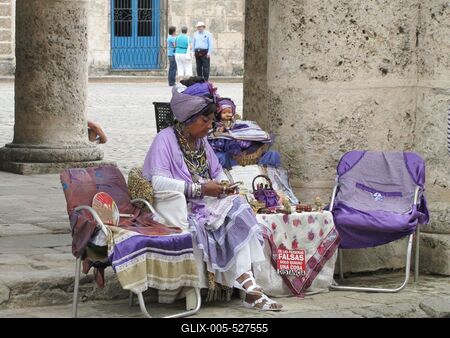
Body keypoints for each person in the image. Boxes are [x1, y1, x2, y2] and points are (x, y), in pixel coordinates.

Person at [142, 87, 283, 311]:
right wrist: (199, 189)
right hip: (177, 207)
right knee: (222, 218)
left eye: (211, 120)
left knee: (239, 207)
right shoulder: (164, 140)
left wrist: (225, 186)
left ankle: (249, 286)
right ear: (188, 121)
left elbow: (216, 172)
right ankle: (250, 289)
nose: (210, 126)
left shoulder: (201, 142)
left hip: (205, 202)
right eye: (205, 120)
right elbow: (158, 182)